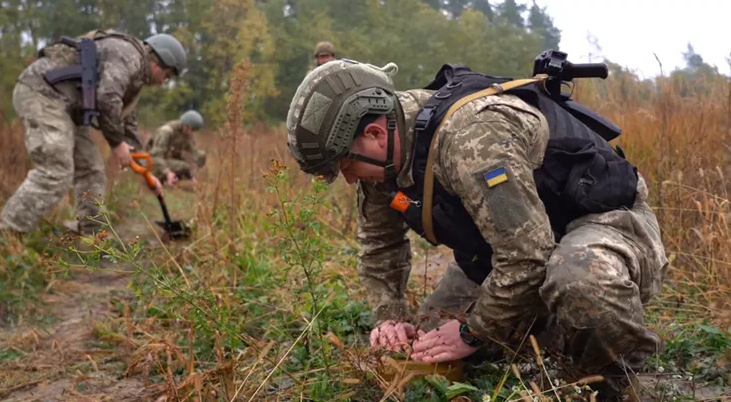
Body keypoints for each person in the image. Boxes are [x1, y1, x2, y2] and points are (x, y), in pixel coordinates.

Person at [285, 59, 668, 399]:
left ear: (375, 135)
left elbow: (528, 256)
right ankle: (546, 331)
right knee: (423, 344)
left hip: (600, 223)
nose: (350, 180)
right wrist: (390, 315)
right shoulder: (380, 162)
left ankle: (618, 381)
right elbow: (379, 247)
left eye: (346, 168)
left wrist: (475, 331)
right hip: (505, 252)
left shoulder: (472, 139)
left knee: (580, 281)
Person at [0, 29, 188, 237]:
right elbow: (107, 98)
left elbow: (126, 121)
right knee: (57, 170)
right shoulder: (129, 55)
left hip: (66, 108)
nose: (163, 82)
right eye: (166, 76)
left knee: (91, 168)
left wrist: (147, 173)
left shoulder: (135, 76)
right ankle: (6, 234)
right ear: (157, 62)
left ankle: (91, 233)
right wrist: (116, 144)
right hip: (43, 95)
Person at [146, 110, 207, 186]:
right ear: (186, 126)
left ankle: (180, 179)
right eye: (192, 130)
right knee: (184, 166)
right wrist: (167, 172)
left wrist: (192, 175)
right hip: (154, 162)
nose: (192, 133)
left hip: (169, 159)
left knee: (201, 156)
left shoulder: (187, 133)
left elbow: (193, 153)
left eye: (195, 131)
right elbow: (155, 156)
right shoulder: (166, 131)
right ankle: (162, 178)